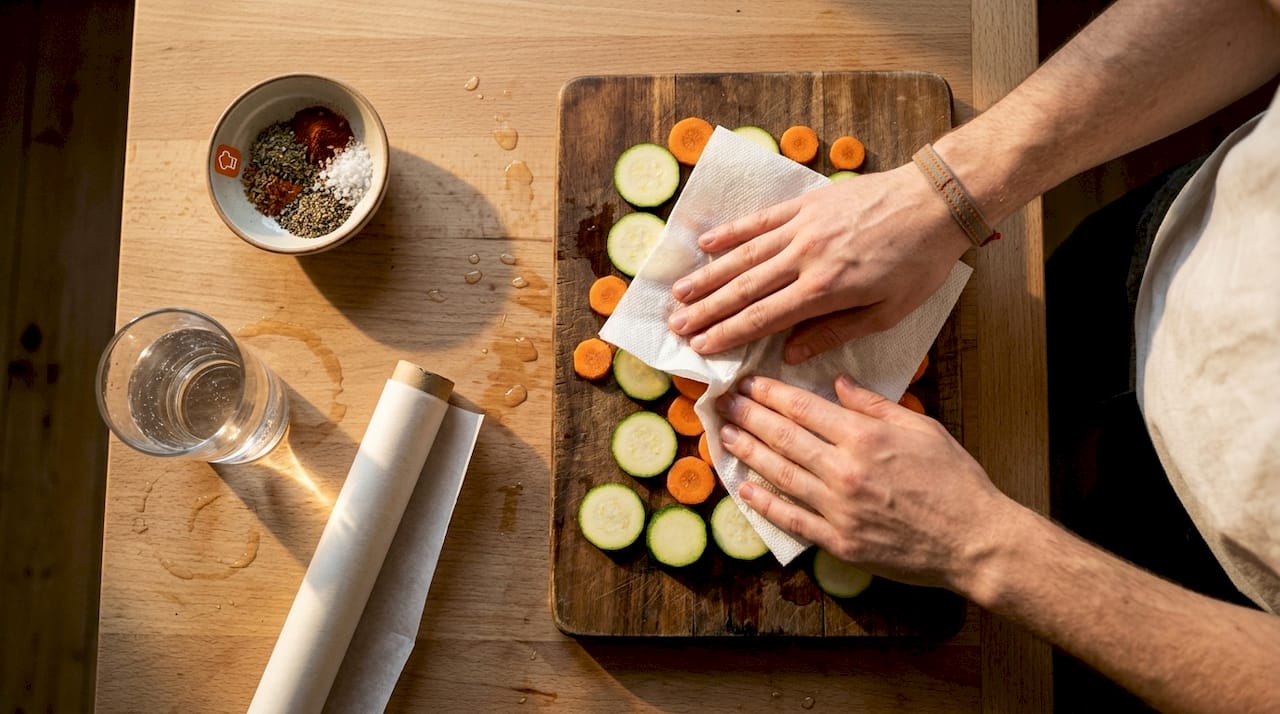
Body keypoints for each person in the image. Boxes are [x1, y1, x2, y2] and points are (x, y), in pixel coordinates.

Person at [664, 0, 1280, 710]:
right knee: (1037, 347)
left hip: (1213, 595)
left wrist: (983, 546)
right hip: (1172, 263)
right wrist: (946, 192)